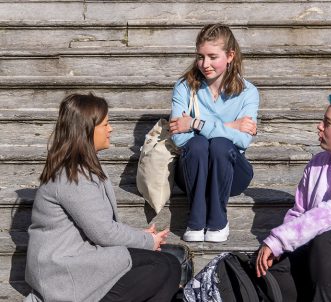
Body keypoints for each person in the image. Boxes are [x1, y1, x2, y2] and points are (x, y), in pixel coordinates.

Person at [25, 93, 181, 302]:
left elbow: (99, 225)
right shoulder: (72, 176)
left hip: (81, 259)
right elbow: (104, 233)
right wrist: (147, 240)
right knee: (161, 267)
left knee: (168, 265)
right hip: (64, 272)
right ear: (87, 130)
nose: (111, 129)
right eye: (105, 124)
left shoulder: (82, 167)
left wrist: (140, 236)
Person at [256, 92, 331, 302]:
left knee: (329, 236)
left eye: (327, 123)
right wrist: (281, 249)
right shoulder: (317, 163)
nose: (319, 126)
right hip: (323, 264)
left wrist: (280, 239)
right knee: (272, 266)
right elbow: (298, 212)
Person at [169, 24, 259, 242]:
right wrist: (230, 126)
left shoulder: (248, 92)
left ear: (230, 55)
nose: (205, 64)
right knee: (198, 145)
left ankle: (218, 221)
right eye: (200, 57)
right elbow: (179, 137)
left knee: (220, 145)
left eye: (212, 56)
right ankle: (196, 220)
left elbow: (243, 139)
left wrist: (195, 124)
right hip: (192, 170)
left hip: (231, 172)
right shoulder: (184, 87)